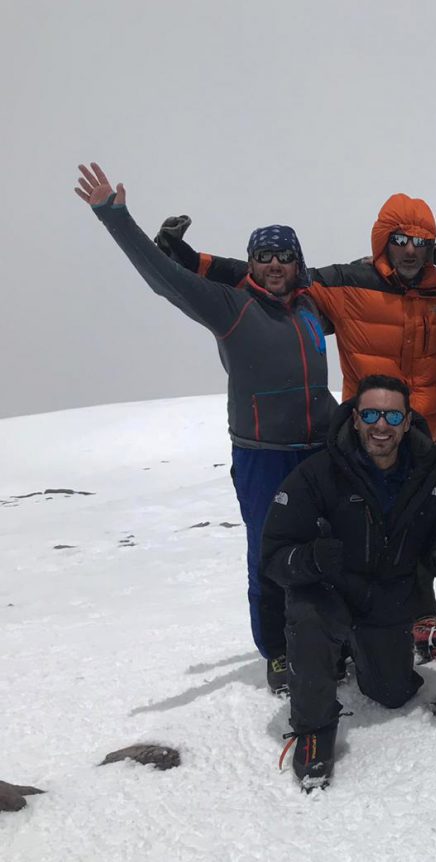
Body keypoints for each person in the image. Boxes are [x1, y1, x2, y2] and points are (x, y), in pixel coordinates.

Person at [159, 193, 436, 659]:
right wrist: (187, 258)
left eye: (421, 242)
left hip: (422, 431)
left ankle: (420, 614)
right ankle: (356, 620)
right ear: (385, 241)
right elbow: (264, 275)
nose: (409, 250)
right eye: (400, 239)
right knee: (364, 528)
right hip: (367, 436)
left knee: (420, 523)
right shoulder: (346, 283)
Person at [75, 163, 335, 694]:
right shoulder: (230, 307)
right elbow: (162, 278)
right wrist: (114, 217)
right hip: (264, 456)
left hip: (318, 451)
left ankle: (326, 634)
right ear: (253, 264)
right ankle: (279, 652)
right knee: (267, 552)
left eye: (285, 255)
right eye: (263, 256)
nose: (274, 265)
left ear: (297, 262)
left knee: (325, 545)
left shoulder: (312, 309)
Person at [261, 375, 436, 791]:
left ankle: (359, 653)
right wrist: (311, 559)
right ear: (355, 419)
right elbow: (273, 555)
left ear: (407, 420)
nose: (382, 425)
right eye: (371, 414)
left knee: (392, 693)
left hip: (388, 604)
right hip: (331, 595)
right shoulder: (317, 475)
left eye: (393, 415)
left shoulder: (430, 475)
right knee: (310, 622)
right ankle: (313, 732)